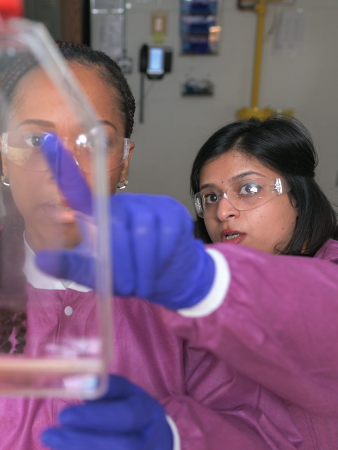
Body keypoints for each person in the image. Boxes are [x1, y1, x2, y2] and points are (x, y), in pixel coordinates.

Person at [0, 42, 287, 450]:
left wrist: (176, 436)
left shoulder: (186, 297)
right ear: (3, 157)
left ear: (124, 162)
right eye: (34, 140)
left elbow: (256, 429)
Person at [38, 116, 338, 450]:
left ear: (298, 196)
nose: (223, 210)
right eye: (210, 197)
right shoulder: (198, 314)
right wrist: (174, 435)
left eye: (248, 189)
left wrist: (208, 280)